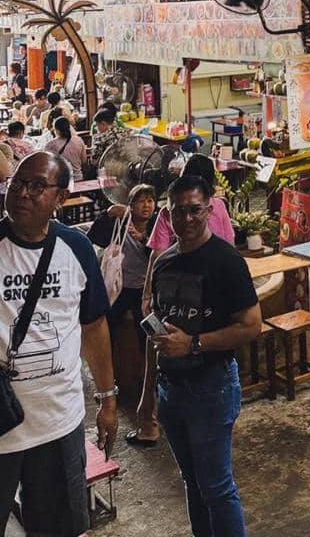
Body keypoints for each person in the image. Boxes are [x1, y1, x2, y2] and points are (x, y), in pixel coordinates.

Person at [0, 152, 117, 536]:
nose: (22, 193)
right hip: (2, 425)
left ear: (60, 199)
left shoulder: (76, 250)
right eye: (17, 182)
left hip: (57, 422)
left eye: (37, 187)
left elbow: (94, 325)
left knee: (58, 529)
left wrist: (107, 398)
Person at [137, 175, 260, 537]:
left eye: (195, 211)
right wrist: (147, 397)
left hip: (212, 387)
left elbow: (252, 326)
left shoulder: (226, 262)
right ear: (167, 214)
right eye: (178, 212)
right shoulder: (163, 263)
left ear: (209, 210)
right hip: (169, 389)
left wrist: (193, 343)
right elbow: (154, 333)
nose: (187, 219)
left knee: (217, 487)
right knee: (192, 481)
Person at [89, 184, 160, 446]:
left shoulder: (155, 227)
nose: (147, 206)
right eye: (141, 201)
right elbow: (95, 236)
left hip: (145, 291)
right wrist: (109, 214)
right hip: (120, 289)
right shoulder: (120, 222)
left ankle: (150, 386)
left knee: (149, 339)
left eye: (150, 200)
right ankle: (108, 385)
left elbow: (159, 252)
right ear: (130, 204)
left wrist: (142, 239)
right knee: (105, 332)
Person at [142, 154, 234, 314]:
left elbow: (157, 255)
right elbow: (230, 245)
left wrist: (147, 295)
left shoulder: (170, 211)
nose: (188, 218)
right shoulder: (219, 205)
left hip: (181, 290)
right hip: (217, 283)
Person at [45, 115, 89, 181]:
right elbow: (84, 161)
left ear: (56, 130)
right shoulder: (79, 140)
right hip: (78, 178)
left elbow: (48, 166)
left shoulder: (50, 144)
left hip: (61, 182)